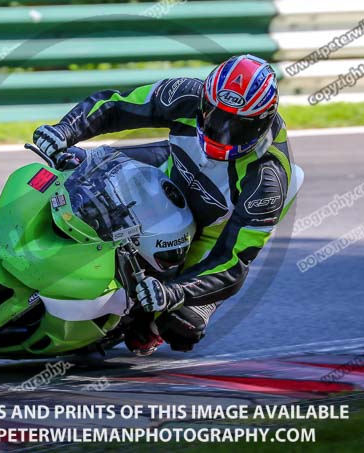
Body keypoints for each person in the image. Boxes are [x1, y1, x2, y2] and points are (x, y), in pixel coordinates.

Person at [33, 54, 299, 354]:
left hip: (210, 232)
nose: (221, 132)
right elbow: (117, 105)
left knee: (183, 325)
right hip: (173, 168)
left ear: (262, 121)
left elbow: (233, 262)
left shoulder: (267, 178)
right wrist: (65, 129)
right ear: (205, 100)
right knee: (79, 166)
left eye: (235, 126)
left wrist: (173, 292)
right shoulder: (187, 94)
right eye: (214, 115)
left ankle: (145, 325)